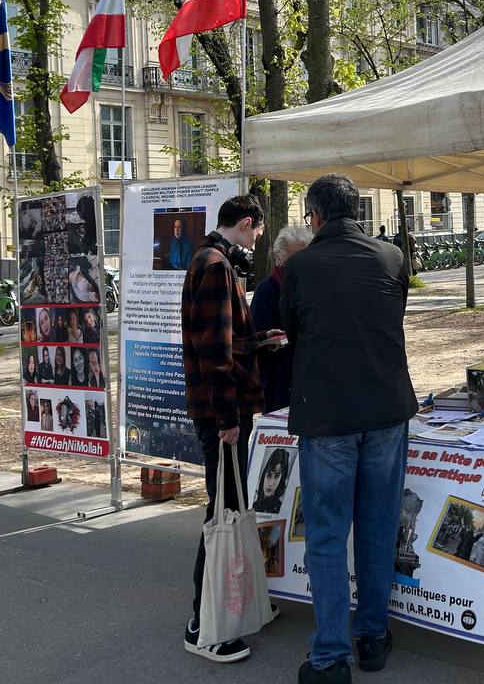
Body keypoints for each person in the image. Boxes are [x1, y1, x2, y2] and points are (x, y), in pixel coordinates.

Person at [281, 174, 418, 683]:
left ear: (314, 216)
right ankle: (373, 638)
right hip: (385, 410)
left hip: (330, 416)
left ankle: (331, 657)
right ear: (355, 210)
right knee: (379, 529)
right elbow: (389, 317)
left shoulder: (301, 267)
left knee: (327, 535)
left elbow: (294, 333)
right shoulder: (392, 258)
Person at [181, 194, 282, 664]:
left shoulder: (209, 258)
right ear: (246, 223)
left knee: (227, 507)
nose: (257, 240)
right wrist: (227, 419)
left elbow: (226, 342)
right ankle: (204, 624)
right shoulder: (218, 266)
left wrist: (261, 341)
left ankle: (232, 608)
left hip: (220, 408)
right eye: (257, 233)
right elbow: (214, 353)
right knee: (222, 513)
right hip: (222, 413)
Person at [250, 224, 312, 412]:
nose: (303, 263)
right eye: (296, 258)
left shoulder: (314, 285)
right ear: (279, 258)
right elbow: (256, 336)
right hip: (279, 384)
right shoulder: (266, 290)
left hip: (312, 381)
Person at [253, 447, 292, 514]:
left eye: (277, 476)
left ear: (281, 479)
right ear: (264, 475)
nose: (271, 484)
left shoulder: (280, 508)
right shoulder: (254, 505)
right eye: (269, 475)